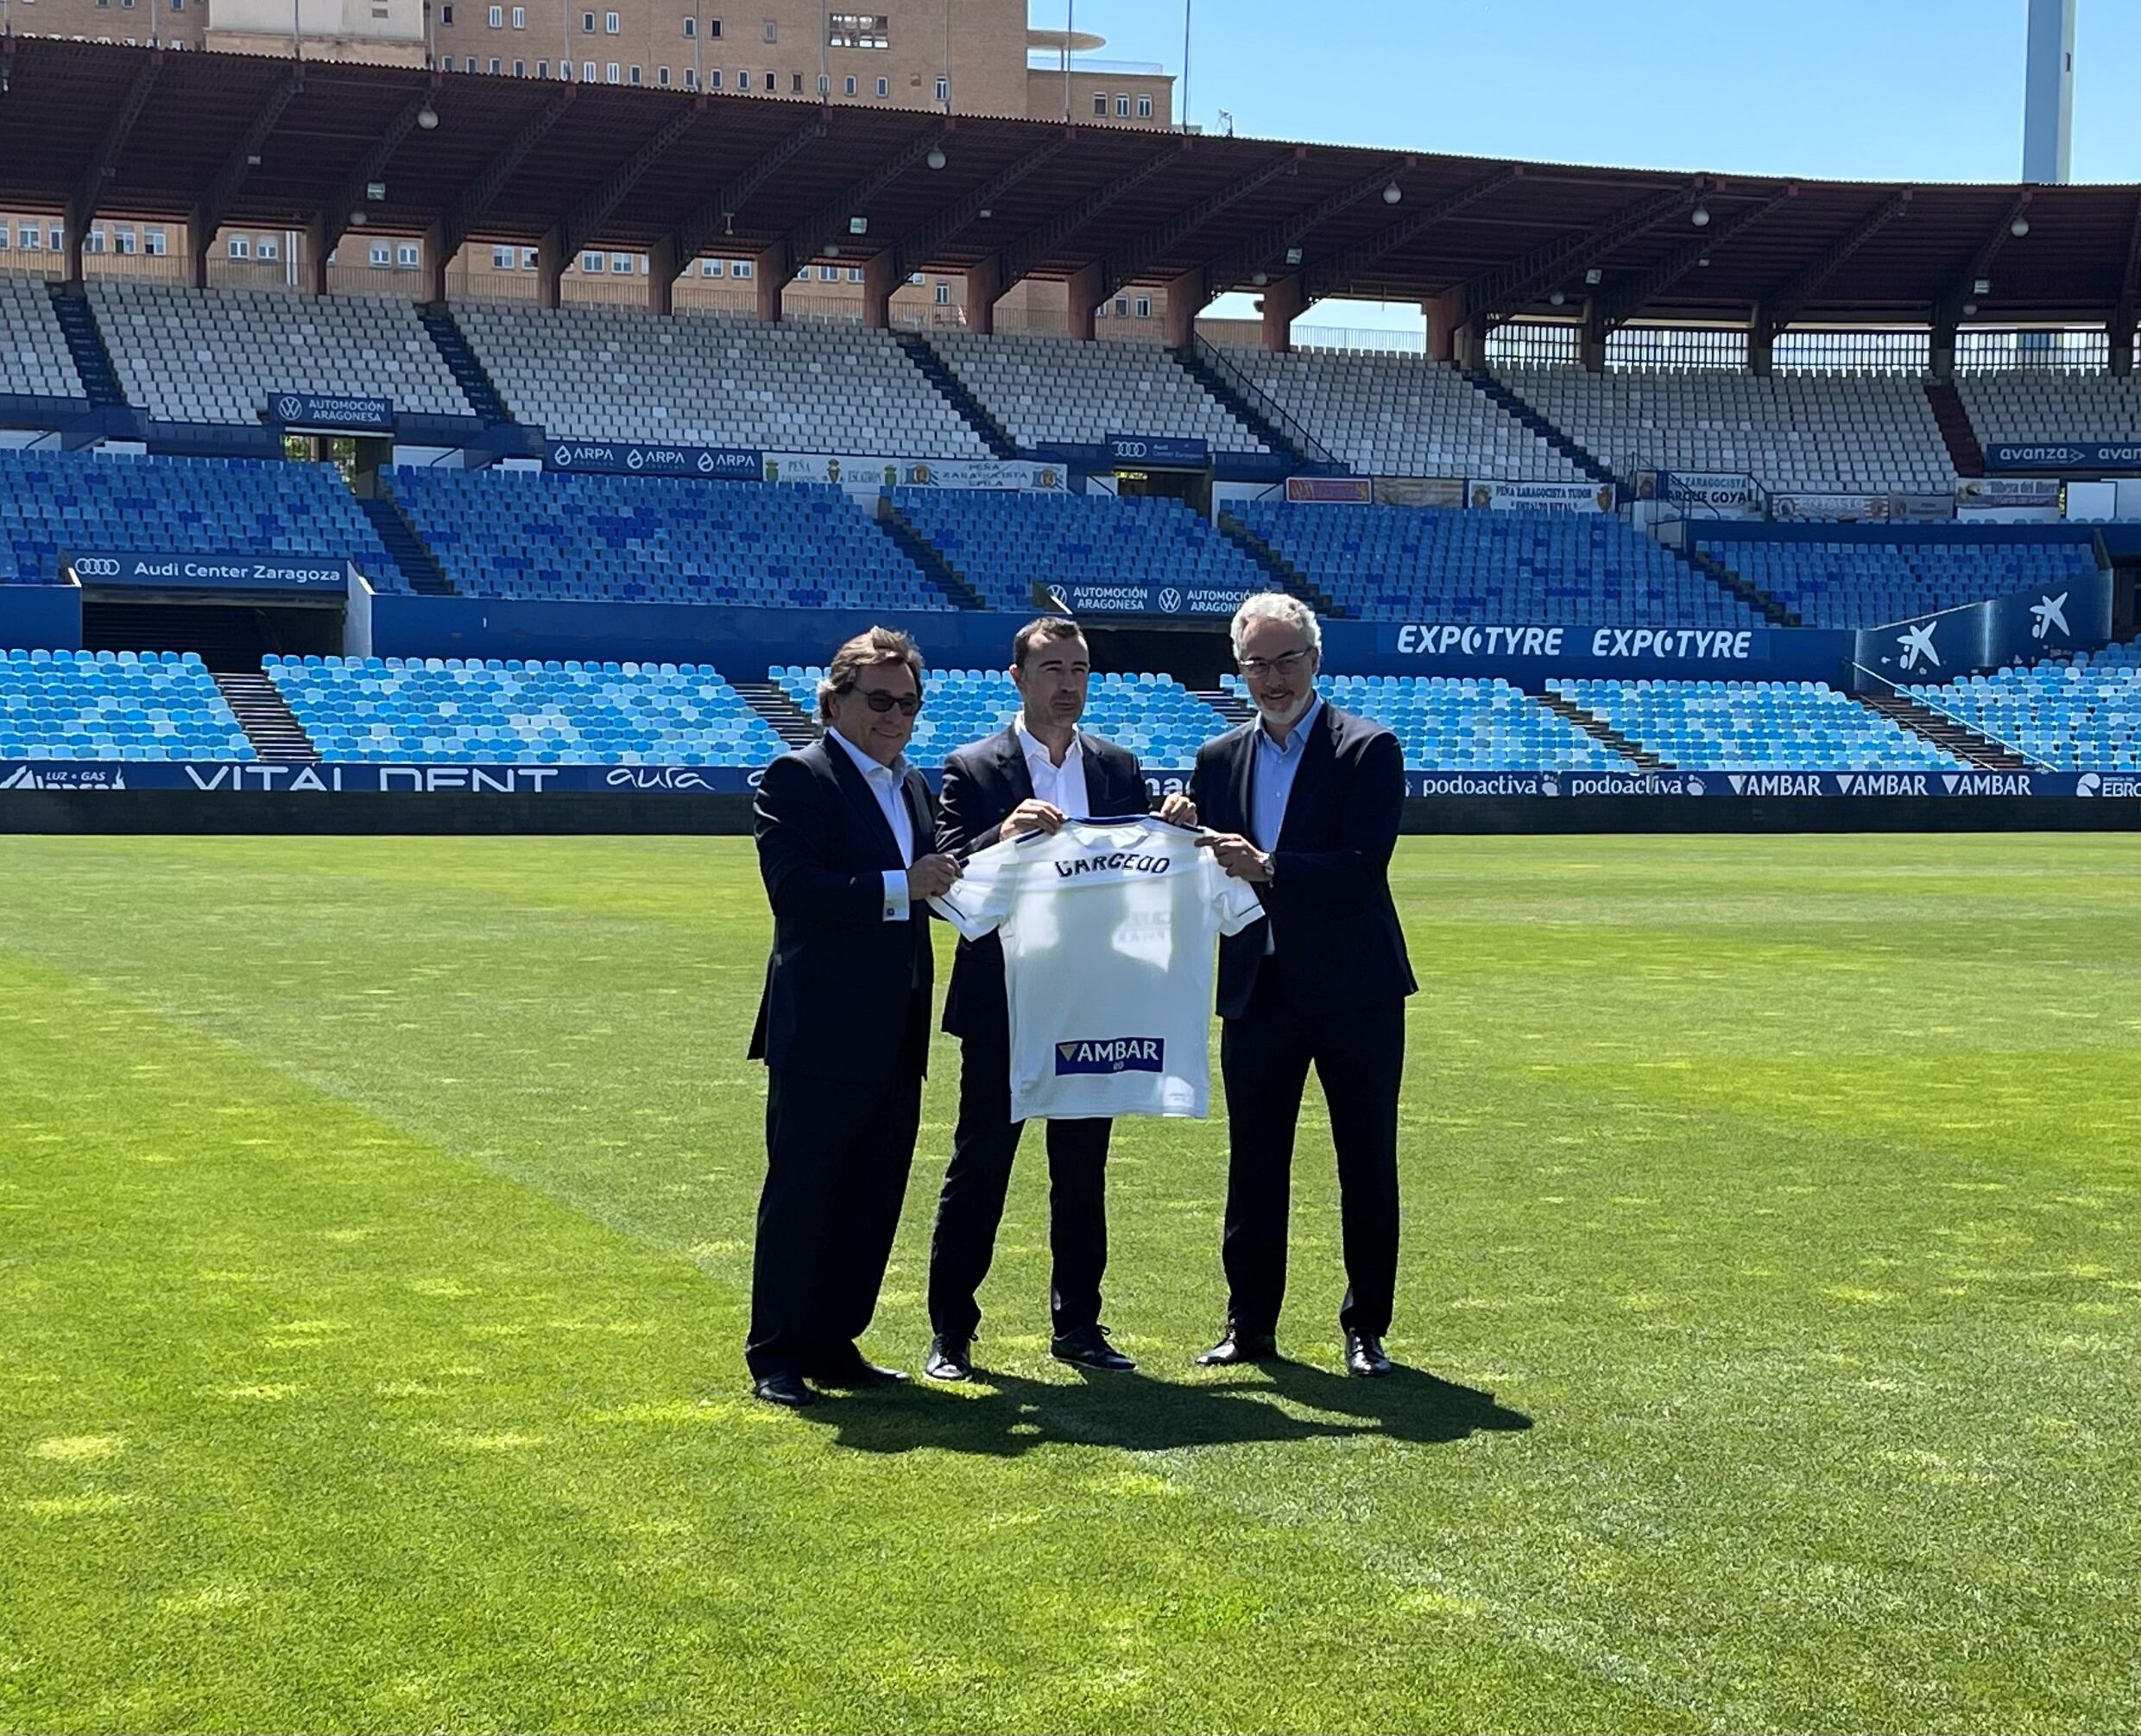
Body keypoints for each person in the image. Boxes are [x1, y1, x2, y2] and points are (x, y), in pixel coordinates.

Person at [923, 616, 1190, 1381]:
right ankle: (952, 1329)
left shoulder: (1116, 766)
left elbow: (1142, 872)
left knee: (1082, 1169)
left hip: (1093, 998)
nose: (1067, 683)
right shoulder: (973, 768)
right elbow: (948, 871)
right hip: (1003, 1000)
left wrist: (1175, 829)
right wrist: (1002, 834)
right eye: (1052, 669)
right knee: (982, 1165)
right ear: (1018, 677)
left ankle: (1079, 1323)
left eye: (1078, 669)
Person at [1190, 593, 1416, 1377]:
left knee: (1366, 1160)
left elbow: (1363, 867)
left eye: (1288, 659)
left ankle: (1366, 1327)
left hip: (1357, 993)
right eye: (1257, 662)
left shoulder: (1368, 747)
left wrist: (1272, 866)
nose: (1273, 676)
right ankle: (1249, 1326)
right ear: (1239, 668)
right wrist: (1180, 827)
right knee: (1253, 1166)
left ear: (1316, 660)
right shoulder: (1218, 759)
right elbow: (1208, 870)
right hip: (1260, 991)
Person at [744, 627, 963, 1409]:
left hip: (898, 1026)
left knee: (873, 1194)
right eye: (878, 699)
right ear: (833, 700)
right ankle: (776, 1351)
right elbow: (796, 889)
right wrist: (906, 883)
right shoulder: (798, 776)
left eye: (908, 702)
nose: (895, 714)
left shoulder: (910, 786)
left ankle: (835, 1341)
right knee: (804, 1191)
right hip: (822, 1030)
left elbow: (932, 884)